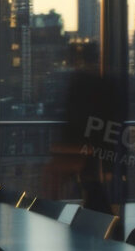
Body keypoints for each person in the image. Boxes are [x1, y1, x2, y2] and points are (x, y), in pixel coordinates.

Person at [47, 41, 122, 212]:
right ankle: (100, 219)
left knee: (87, 183)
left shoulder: (80, 80)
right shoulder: (104, 82)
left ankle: (97, 218)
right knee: (90, 182)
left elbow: (73, 115)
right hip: (91, 143)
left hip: (82, 144)